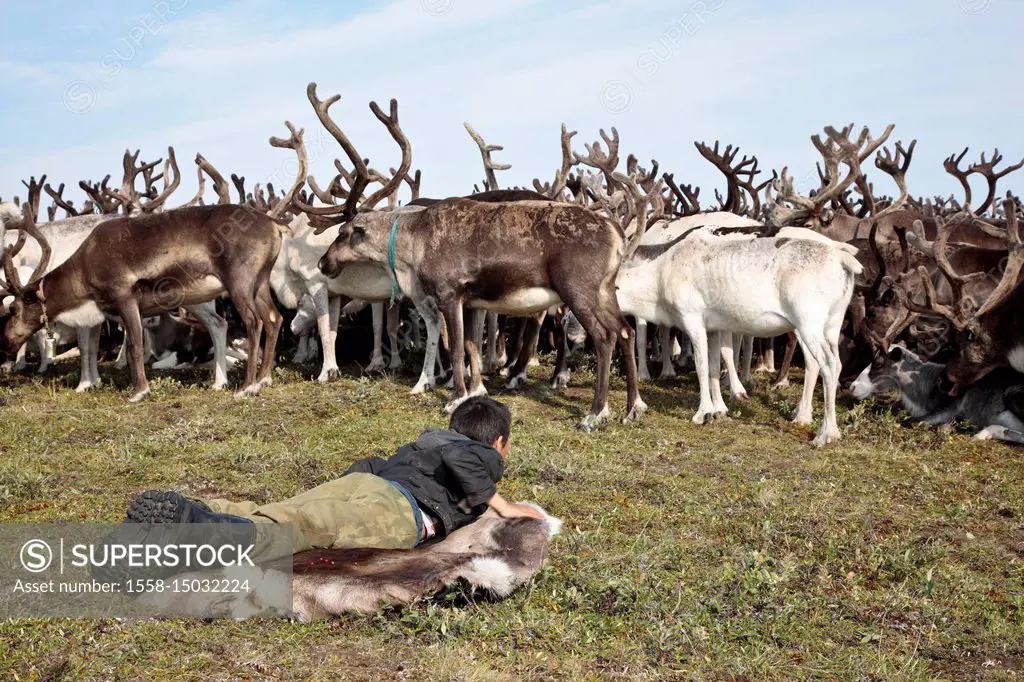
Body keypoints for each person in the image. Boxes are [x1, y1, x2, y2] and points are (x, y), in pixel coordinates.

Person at [124, 396, 544, 555]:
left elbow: (367, 465)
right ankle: (206, 532)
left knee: (284, 509)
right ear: (499, 441)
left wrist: (345, 491)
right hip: (401, 509)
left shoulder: (425, 445)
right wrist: (501, 502)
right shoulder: (478, 453)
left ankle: (196, 510)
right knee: (310, 526)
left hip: (371, 482)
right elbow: (461, 459)